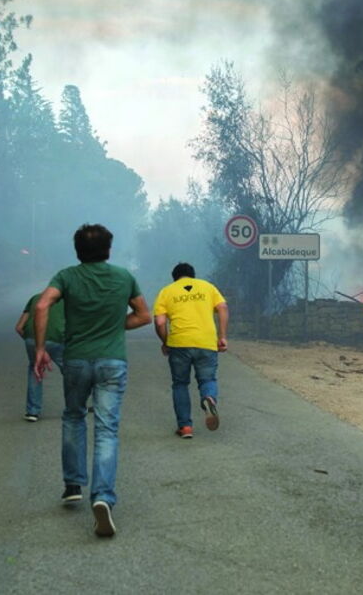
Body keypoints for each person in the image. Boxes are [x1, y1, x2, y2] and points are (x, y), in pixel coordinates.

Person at [33, 223, 151, 537]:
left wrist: (41, 349)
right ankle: (102, 497)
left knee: (73, 416)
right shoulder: (124, 277)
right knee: (106, 428)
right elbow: (144, 315)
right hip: (112, 361)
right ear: (108, 249)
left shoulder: (67, 277)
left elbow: (42, 305)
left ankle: (73, 484)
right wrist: (113, 325)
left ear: (77, 251)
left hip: (76, 360)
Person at [153, 262, 228, 439]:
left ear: (175, 277)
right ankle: (209, 398)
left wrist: (165, 342)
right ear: (193, 275)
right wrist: (222, 336)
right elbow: (223, 307)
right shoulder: (207, 287)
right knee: (207, 379)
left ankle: (185, 427)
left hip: (179, 344)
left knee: (180, 384)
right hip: (206, 342)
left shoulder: (167, 291)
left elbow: (160, 322)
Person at [15, 293, 65, 422]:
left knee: (35, 370)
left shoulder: (35, 298)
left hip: (32, 339)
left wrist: (38, 346)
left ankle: (32, 411)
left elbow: (19, 328)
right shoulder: (69, 300)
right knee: (71, 371)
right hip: (56, 339)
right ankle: (76, 407)